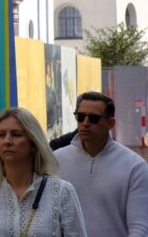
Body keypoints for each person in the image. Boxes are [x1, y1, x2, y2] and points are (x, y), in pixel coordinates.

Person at [0, 107, 85, 236]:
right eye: (1, 135)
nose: (7, 141)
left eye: (16, 134)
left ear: (33, 142)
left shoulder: (60, 192)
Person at [54, 91, 148, 236]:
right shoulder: (56, 160)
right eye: (80, 117)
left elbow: (140, 227)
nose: (85, 123)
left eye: (94, 118)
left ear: (110, 123)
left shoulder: (135, 167)